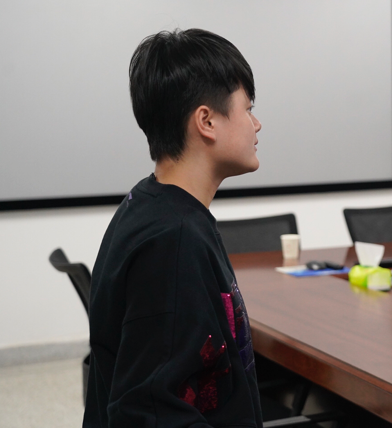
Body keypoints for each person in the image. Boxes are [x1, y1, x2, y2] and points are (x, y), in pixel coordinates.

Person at [83, 29, 263, 427]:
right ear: (207, 121)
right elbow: (147, 412)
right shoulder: (174, 241)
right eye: (248, 109)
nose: (257, 124)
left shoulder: (150, 204)